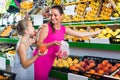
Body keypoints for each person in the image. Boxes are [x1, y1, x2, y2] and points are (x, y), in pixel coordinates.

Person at [34, 5, 101, 80]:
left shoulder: (63, 29)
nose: (52, 17)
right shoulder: (46, 27)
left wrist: (96, 32)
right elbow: (38, 45)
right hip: (41, 60)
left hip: (51, 59)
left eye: (55, 15)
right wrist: (52, 44)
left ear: (62, 16)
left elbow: (80, 34)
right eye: (50, 15)